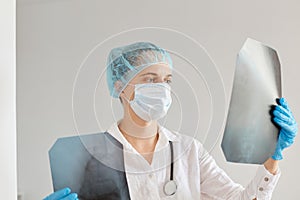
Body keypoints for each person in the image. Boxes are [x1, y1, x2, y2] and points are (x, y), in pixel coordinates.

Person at [43, 42, 298, 200]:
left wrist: (272, 157)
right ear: (120, 86)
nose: (162, 90)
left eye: (167, 81)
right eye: (150, 80)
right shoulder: (88, 158)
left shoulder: (189, 151)